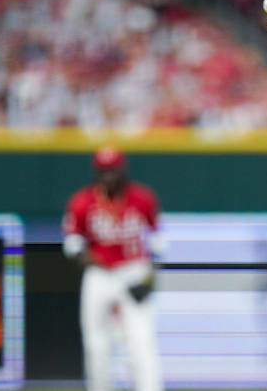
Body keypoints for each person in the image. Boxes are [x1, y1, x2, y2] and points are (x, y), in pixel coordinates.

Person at [62, 145, 165, 391]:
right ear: (96, 172)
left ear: (122, 170)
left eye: (113, 170)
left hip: (133, 271)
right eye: (104, 171)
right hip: (99, 275)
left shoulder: (142, 198)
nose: (109, 176)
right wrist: (93, 259)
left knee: (141, 342)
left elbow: (159, 243)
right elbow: (73, 244)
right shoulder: (83, 201)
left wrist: (149, 280)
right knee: (96, 344)